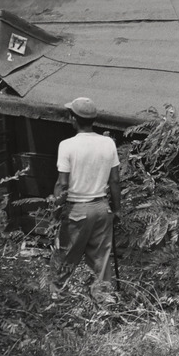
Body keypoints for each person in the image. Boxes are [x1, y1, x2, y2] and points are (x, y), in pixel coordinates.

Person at [51, 97, 122, 302]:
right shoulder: (108, 143)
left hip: (76, 209)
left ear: (73, 118)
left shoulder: (67, 145)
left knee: (65, 256)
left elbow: (62, 184)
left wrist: (56, 211)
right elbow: (115, 180)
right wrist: (117, 209)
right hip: (101, 207)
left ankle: (58, 300)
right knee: (101, 260)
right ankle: (104, 304)